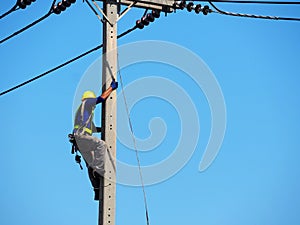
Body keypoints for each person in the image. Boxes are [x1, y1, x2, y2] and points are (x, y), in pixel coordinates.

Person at [72, 80, 118, 200]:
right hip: (82, 138)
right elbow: (102, 98)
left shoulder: (83, 113)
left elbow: (92, 128)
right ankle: (98, 169)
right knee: (101, 145)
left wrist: (104, 129)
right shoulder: (87, 103)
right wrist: (111, 88)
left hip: (79, 141)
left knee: (90, 165)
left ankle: (96, 189)